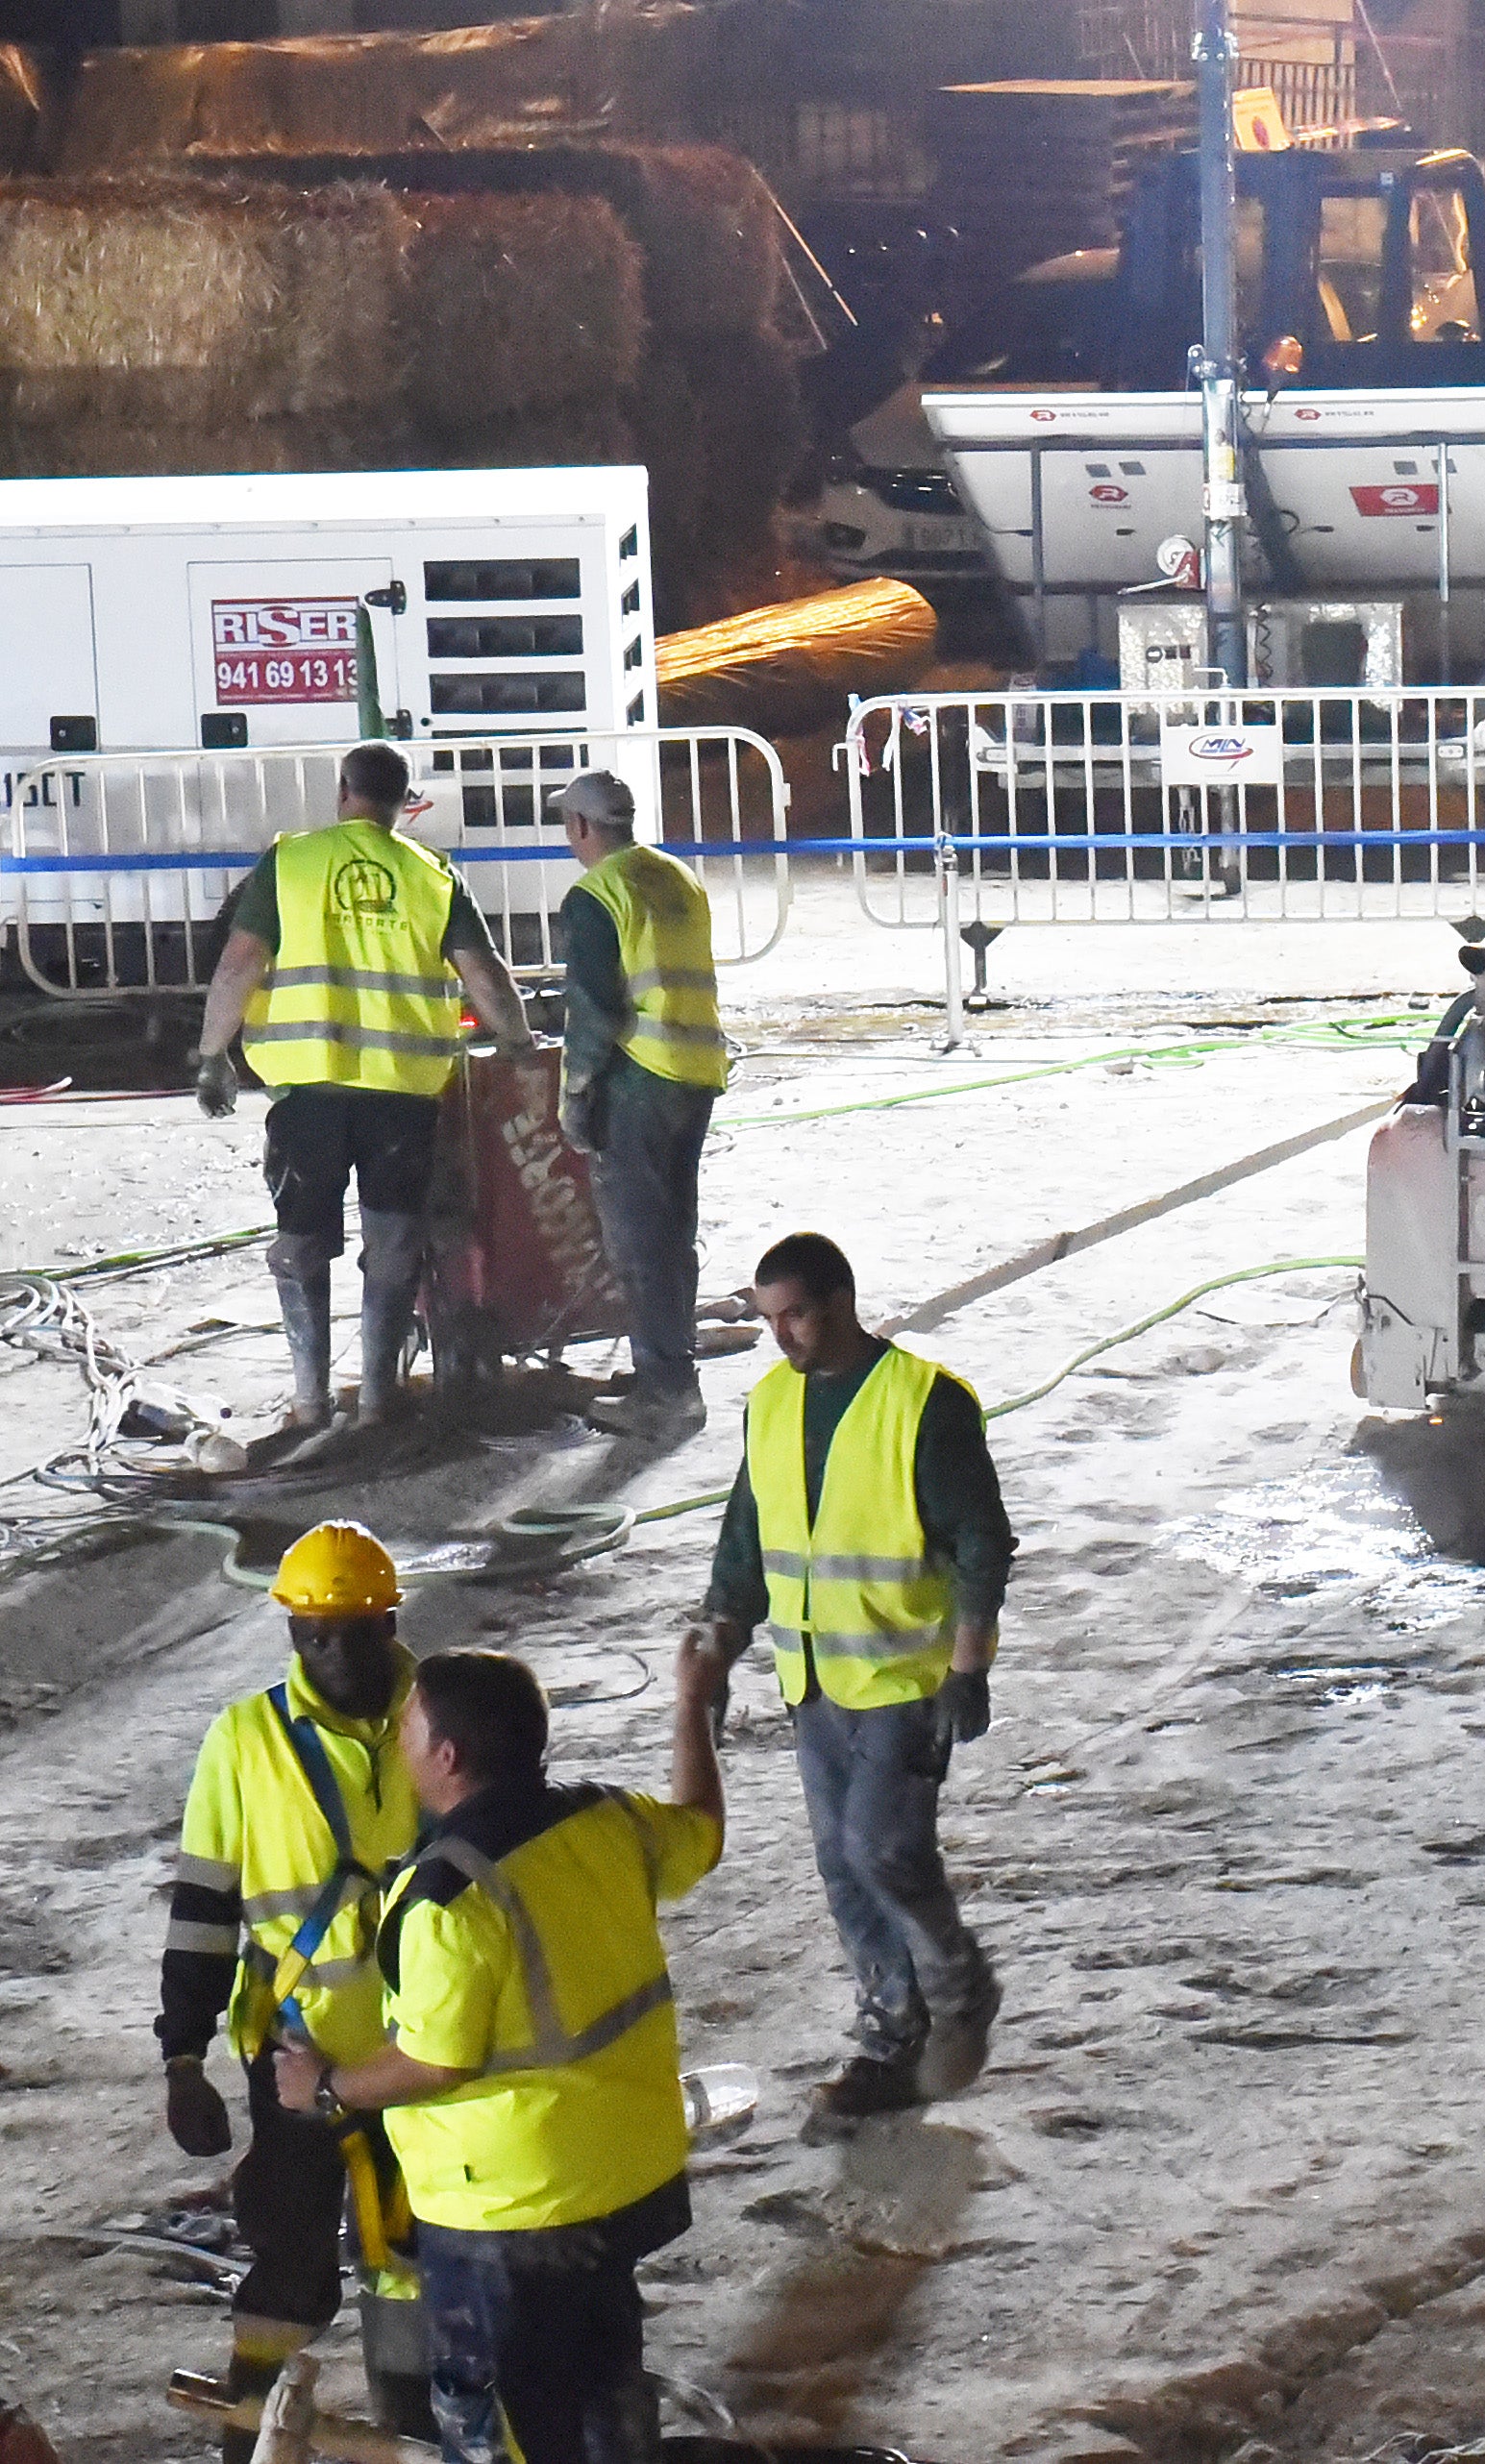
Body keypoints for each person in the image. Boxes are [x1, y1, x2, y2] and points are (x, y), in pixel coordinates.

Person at [275, 1646, 726, 2464]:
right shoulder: (610, 1821)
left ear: (446, 1757)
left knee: (502, 2424)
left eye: (409, 1724)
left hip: (512, 2217)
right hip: (629, 2177)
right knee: (607, 2383)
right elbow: (703, 1826)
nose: (399, 1736)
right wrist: (690, 1699)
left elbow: (433, 2063)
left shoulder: (446, 1901)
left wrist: (327, 2087)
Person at [695, 1231, 1015, 2135]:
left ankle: (959, 1988)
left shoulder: (923, 1405)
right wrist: (719, 1642)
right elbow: (745, 1536)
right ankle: (892, 2039)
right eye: (769, 1319)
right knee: (842, 1866)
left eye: (795, 1314)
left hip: (903, 1679)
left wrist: (968, 1666)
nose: (782, 1338)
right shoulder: (769, 1405)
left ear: (841, 1302)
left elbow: (981, 1540)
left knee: (882, 1849)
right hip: (813, 1679)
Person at [160, 1520, 432, 2452]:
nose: (338, 1649)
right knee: (291, 2257)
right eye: (316, 1630)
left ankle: (413, 2425)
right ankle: (251, 2429)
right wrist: (182, 2055)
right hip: (293, 2059)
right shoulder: (244, 1740)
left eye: (358, 1627)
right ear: (289, 1632)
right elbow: (202, 1907)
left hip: (420, 2051)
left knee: (412, 2253)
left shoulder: (439, 1717)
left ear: (390, 1617)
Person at [192, 743, 534, 1427]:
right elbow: (486, 972)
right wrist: (519, 1045)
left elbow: (239, 964)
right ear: (405, 804)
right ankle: (379, 1398)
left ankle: (310, 1402)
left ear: (344, 790)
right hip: (401, 1098)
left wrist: (212, 1056)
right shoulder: (431, 873)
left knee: (300, 1244)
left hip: (307, 1095)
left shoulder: (292, 862)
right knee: (395, 1243)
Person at [553, 773, 729, 1441]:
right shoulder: (675, 875)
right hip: (695, 1068)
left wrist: (574, 1097)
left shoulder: (597, 895)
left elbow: (593, 1013)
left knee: (639, 1242)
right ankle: (669, 1368)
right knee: (672, 1232)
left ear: (581, 828)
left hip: (640, 1080)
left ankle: (666, 1391)